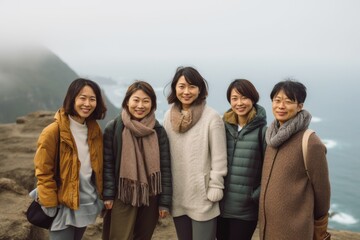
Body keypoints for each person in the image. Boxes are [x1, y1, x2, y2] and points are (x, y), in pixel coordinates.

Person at [32, 78, 107, 240]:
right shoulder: (52, 132)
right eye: (82, 98)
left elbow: (98, 167)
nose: (87, 103)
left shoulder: (95, 131)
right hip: (62, 204)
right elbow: (43, 171)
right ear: (72, 99)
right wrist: (50, 203)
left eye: (92, 99)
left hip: (85, 202)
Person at [259, 80, 331, 240]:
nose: (281, 106)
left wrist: (317, 224)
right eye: (277, 100)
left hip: (295, 230)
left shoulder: (310, 142)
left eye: (288, 101)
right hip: (267, 228)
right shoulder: (271, 137)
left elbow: (322, 192)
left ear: (300, 106)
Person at [102, 80, 172, 240]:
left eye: (146, 101)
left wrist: (164, 202)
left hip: (151, 197)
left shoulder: (158, 131)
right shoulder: (114, 127)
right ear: (127, 101)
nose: (140, 105)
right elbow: (107, 164)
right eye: (136, 100)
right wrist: (108, 194)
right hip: (123, 194)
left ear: (153, 104)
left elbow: (166, 168)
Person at [163, 66, 227, 240]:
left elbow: (219, 157)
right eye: (182, 86)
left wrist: (215, 185)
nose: (186, 91)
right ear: (175, 88)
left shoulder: (211, 117)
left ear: (200, 89)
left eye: (192, 86)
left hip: (203, 196)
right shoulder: (168, 116)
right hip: (178, 194)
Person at [217, 79, 267, 240]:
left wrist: (254, 196)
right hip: (218, 207)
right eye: (234, 98)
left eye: (244, 97)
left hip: (245, 212)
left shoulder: (263, 132)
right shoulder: (221, 127)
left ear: (253, 99)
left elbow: (270, 170)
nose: (239, 103)